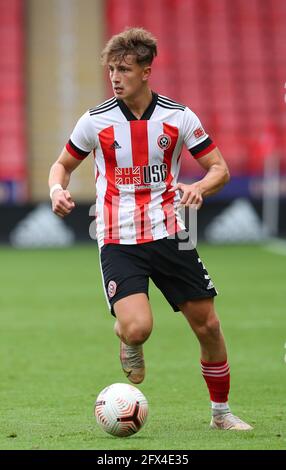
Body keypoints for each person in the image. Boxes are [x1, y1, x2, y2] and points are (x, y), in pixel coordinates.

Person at [49, 27, 252, 431]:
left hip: (172, 232)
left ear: (146, 70)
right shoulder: (95, 121)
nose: (115, 77)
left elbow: (220, 170)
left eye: (124, 69)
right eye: (111, 69)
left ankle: (222, 414)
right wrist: (57, 189)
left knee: (208, 325)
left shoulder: (178, 117)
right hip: (118, 237)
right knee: (140, 327)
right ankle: (128, 337)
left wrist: (197, 187)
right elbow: (63, 165)